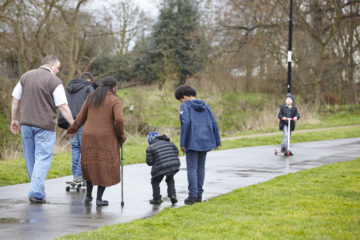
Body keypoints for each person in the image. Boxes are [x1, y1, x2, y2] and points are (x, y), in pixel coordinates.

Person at [10, 55, 74, 204]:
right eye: (58, 68)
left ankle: (38, 190)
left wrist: (14, 119)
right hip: (44, 126)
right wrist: (73, 124)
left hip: (26, 124)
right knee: (43, 158)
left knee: (31, 159)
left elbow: (15, 99)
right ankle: (36, 192)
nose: (58, 71)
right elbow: (62, 106)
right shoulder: (54, 81)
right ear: (51, 65)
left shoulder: (25, 76)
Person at [67, 76, 126, 207]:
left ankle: (88, 196)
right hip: (106, 137)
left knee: (90, 165)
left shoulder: (91, 99)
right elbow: (119, 120)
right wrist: (121, 135)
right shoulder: (116, 100)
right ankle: (99, 199)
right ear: (114, 87)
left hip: (88, 136)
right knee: (103, 166)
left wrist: (72, 130)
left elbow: (79, 118)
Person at [174, 85, 221, 205]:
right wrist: (217, 141)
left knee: (192, 168)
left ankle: (192, 196)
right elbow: (213, 122)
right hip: (205, 140)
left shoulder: (185, 105)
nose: (181, 102)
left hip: (192, 140)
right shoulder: (205, 105)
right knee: (200, 168)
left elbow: (186, 122)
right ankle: (199, 195)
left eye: (180, 100)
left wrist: (182, 142)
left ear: (184, 97)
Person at [58, 72, 97, 183]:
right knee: (85, 149)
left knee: (75, 148)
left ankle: (75, 175)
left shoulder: (68, 89)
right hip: (84, 122)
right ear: (88, 80)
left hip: (70, 122)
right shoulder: (89, 88)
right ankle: (79, 177)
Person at [146, 131, 180, 205]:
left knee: (155, 181)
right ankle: (172, 195)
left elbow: (150, 162)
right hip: (174, 164)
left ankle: (156, 199)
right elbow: (176, 153)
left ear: (149, 140)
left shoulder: (150, 148)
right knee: (170, 179)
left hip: (161, 166)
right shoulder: (170, 143)